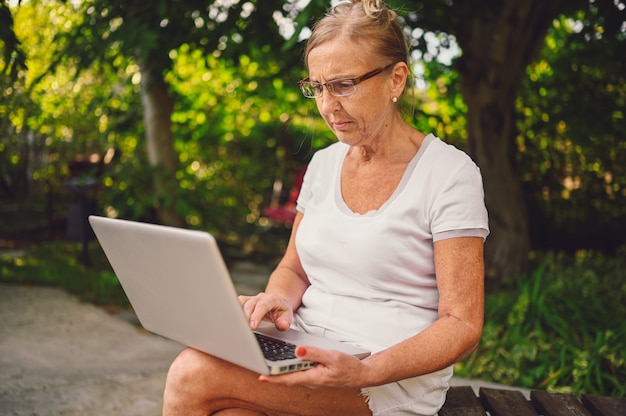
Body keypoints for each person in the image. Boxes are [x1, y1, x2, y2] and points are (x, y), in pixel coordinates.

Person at [163, 0, 489, 414]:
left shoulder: (449, 173)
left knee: (193, 371)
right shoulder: (324, 164)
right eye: (317, 87)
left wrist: (366, 371)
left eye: (344, 85)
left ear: (396, 79)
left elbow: (462, 325)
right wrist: (277, 300)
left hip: (385, 378)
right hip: (307, 347)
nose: (327, 105)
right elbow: (294, 268)